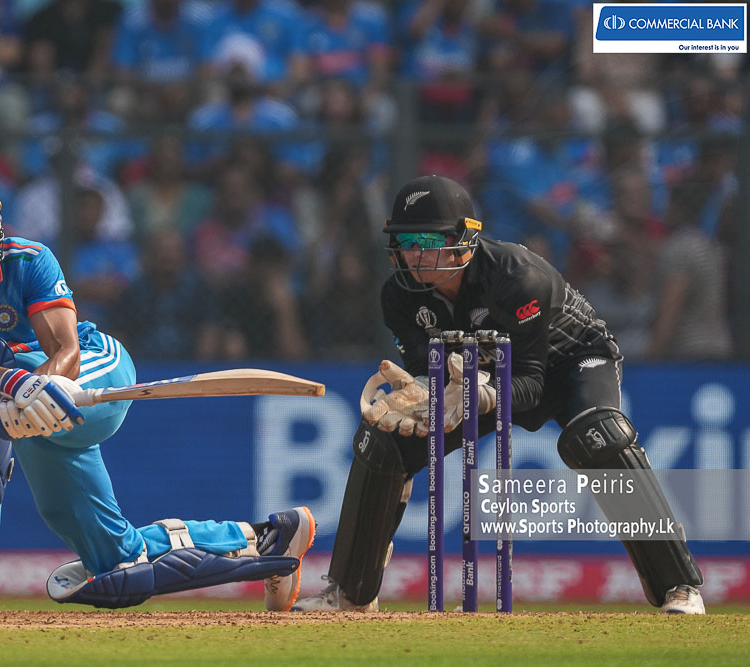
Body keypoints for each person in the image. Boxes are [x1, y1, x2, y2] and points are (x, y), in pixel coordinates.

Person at [0, 166, 315, 614]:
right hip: (26, 411)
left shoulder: (27, 259)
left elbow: (65, 350)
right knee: (117, 562)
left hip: (93, 372)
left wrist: (35, 384)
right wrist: (16, 386)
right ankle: (267, 539)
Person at [291, 175, 705, 614]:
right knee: (382, 441)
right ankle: (352, 591)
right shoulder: (399, 296)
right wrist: (422, 393)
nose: (414, 254)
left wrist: (480, 395)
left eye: (426, 241)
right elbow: (424, 374)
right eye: (405, 242)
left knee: (598, 436)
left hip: (569, 363)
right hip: (478, 378)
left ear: (463, 241)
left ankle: (680, 586)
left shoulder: (517, 277)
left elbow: (531, 385)